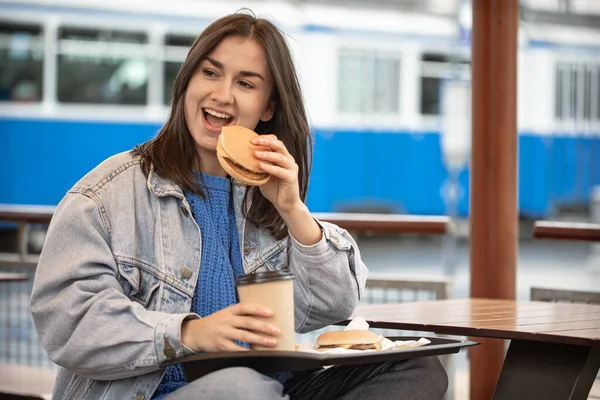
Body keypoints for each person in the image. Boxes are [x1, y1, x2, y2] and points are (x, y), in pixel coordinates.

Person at [30, 11, 448, 400]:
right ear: (187, 81)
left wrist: (293, 210)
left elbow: (336, 305)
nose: (222, 94)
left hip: (266, 389)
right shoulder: (107, 194)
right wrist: (189, 333)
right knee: (242, 387)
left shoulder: (265, 196)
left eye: (246, 83)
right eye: (210, 73)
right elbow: (66, 322)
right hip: (167, 393)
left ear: (268, 107)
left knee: (418, 369)